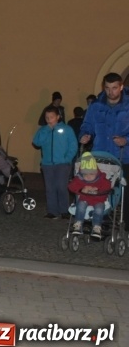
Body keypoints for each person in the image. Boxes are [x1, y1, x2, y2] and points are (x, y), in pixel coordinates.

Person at [79, 72, 129, 228]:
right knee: (99, 191)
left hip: (124, 157)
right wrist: (85, 135)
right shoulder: (95, 106)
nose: (111, 92)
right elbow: (87, 125)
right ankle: (100, 224)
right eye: (107, 88)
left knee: (125, 195)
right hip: (101, 157)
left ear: (121, 87)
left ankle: (125, 226)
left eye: (114, 88)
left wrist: (126, 140)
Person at [32, 106, 78, 219]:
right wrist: (47, 129)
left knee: (61, 186)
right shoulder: (43, 130)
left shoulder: (67, 129)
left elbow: (73, 145)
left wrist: (67, 158)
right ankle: (52, 211)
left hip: (62, 163)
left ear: (58, 117)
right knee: (50, 188)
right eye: (47, 117)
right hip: (47, 164)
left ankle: (64, 210)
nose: (49, 120)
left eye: (51, 117)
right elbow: (37, 142)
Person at [67, 152, 112, 240]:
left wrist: (98, 190)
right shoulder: (79, 179)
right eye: (85, 174)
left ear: (96, 172)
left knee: (99, 208)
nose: (88, 177)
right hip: (85, 199)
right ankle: (78, 223)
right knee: (80, 205)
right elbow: (71, 186)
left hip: (99, 200)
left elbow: (108, 186)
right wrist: (81, 189)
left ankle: (96, 227)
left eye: (91, 174)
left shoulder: (102, 179)